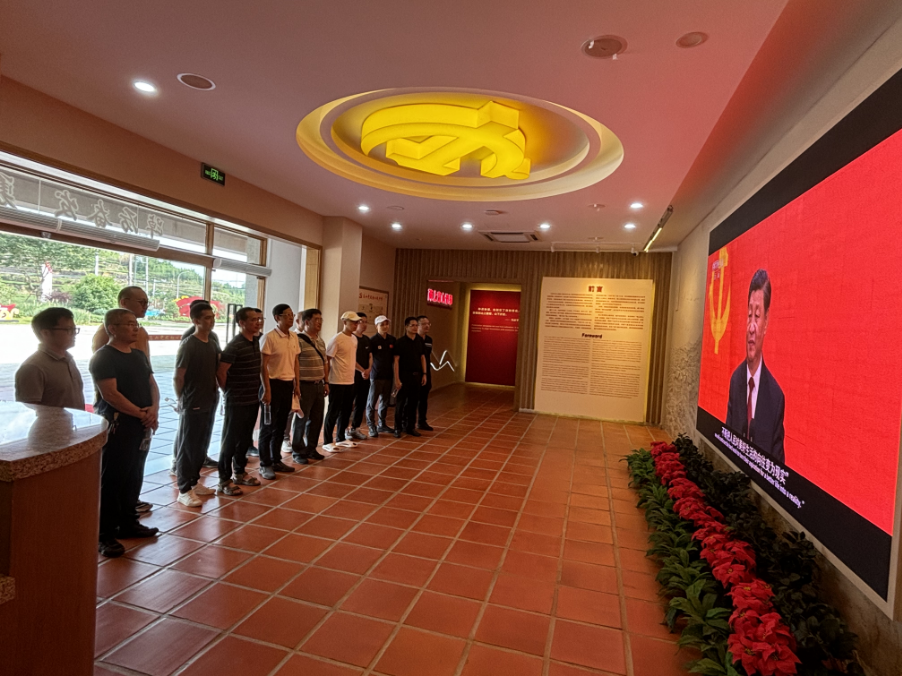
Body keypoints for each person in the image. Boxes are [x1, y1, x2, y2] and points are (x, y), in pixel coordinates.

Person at [90, 309, 160, 558]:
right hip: (120, 424)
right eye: (129, 324)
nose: (135, 328)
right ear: (112, 328)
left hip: (141, 424)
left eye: (136, 324)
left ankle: (128, 523)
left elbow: (152, 384)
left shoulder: (138, 355)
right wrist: (141, 413)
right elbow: (110, 394)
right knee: (113, 479)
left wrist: (154, 409)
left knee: (134, 474)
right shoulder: (104, 357)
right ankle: (104, 535)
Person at [726, 269, 786, 464]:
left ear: (766, 322)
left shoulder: (776, 398)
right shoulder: (736, 381)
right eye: (749, 315)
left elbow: (778, 465)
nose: (751, 327)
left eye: (757, 316)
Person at [173, 303, 220, 507]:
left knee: (202, 443)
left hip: (210, 398)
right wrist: (182, 399)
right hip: (193, 401)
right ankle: (184, 489)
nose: (211, 321)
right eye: (207, 318)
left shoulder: (212, 342)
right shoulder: (189, 344)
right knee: (188, 446)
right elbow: (179, 376)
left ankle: (194, 481)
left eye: (212, 317)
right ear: (196, 320)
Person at [217, 306, 263, 493]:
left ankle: (240, 472)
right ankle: (224, 480)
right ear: (241, 323)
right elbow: (221, 372)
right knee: (230, 440)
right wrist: (229, 391)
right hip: (236, 400)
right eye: (253, 320)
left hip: (253, 398)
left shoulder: (257, 341)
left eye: (259, 319)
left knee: (245, 438)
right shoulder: (234, 345)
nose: (258, 322)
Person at [258, 304, 299, 480]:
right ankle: (265, 464)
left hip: (287, 385)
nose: (291, 318)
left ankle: (276, 460)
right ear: (277, 317)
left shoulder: (294, 336)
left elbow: (295, 361)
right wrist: (267, 389)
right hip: (272, 385)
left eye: (292, 315)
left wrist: (297, 384)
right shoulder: (269, 337)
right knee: (268, 426)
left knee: (281, 426)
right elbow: (263, 366)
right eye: (287, 315)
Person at [15, 307, 85, 409]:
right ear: (45, 333)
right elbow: (28, 411)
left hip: (74, 419)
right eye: (68, 330)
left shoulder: (68, 359)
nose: (74, 333)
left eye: (74, 329)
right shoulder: (33, 367)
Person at [292, 308, 329, 464]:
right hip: (304, 385)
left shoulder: (320, 341)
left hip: (319, 384)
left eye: (321, 319)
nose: (320, 322)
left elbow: (325, 362)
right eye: (316, 320)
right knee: (301, 419)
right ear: (306, 322)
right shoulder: (298, 340)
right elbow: (294, 364)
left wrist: (326, 382)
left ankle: (311, 448)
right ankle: (298, 451)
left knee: (316, 419)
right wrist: (296, 386)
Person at [322, 311, 361, 452]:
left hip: (349, 380)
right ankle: (327, 441)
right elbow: (327, 360)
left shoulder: (354, 339)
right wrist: (326, 380)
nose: (355, 324)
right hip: (336, 381)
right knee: (333, 411)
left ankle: (341, 438)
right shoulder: (337, 339)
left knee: (346, 411)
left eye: (357, 322)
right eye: (353, 322)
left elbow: (351, 359)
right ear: (344, 322)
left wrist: (362, 370)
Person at [91, 285, 151, 355]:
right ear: (124, 302)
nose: (145, 306)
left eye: (147, 303)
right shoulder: (108, 331)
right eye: (142, 302)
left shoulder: (141, 331)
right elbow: (101, 359)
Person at [393, 316, 427, 438]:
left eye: (416, 325)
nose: (415, 327)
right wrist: (397, 379)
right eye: (412, 325)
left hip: (416, 376)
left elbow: (422, 358)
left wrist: (424, 374)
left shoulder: (419, 341)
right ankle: (397, 428)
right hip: (404, 376)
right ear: (406, 327)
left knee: (413, 403)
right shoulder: (400, 342)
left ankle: (410, 427)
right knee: (401, 403)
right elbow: (396, 361)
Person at [366, 315, 396, 437]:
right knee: (372, 402)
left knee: (385, 401)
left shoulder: (392, 340)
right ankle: (371, 425)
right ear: (376, 326)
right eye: (382, 324)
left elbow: (395, 358)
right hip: (376, 376)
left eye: (386, 324)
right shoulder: (373, 340)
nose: (385, 326)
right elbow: (369, 357)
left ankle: (382, 424)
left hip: (388, 375)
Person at [347, 312, 372, 440]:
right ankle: (344, 429)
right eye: (361, 321)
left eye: (366, 322)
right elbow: (351, 359)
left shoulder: (367, 339)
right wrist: (362, 370)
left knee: (361, 403)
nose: (364, 324)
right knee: (348, 403)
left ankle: (355, 428)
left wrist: (368, 369)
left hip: (365, 376)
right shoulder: (351, 338)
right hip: (353, 376)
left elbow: (370, 356)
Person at [416, 315, 434, 431]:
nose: (427, 326)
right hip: (415, 372)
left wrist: (425, 373)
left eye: (428, 324)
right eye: (424, 324)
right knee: (412, 398)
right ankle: (407, 422)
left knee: (424, 397)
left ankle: (422, 421)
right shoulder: (414, 339)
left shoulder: (429, 340)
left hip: (426, 372)